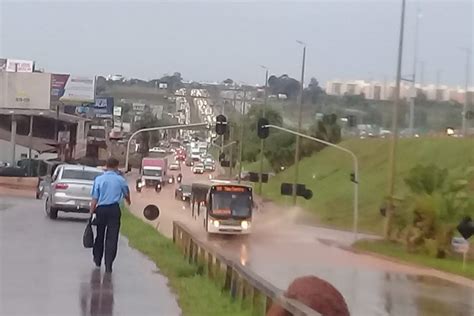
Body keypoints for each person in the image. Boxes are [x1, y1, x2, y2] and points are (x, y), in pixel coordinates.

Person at [90, 157, 131, 273]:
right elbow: (126, 194)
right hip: (114, 209)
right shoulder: (120, 180)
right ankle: (109, 264)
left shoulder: (99, 179)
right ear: (117, 166)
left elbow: (95, 198)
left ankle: (97, 259)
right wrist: (128, 201)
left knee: (100, 235)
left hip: (101, 209)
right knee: (112, 238)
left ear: (106, 166)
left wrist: (91, 212)